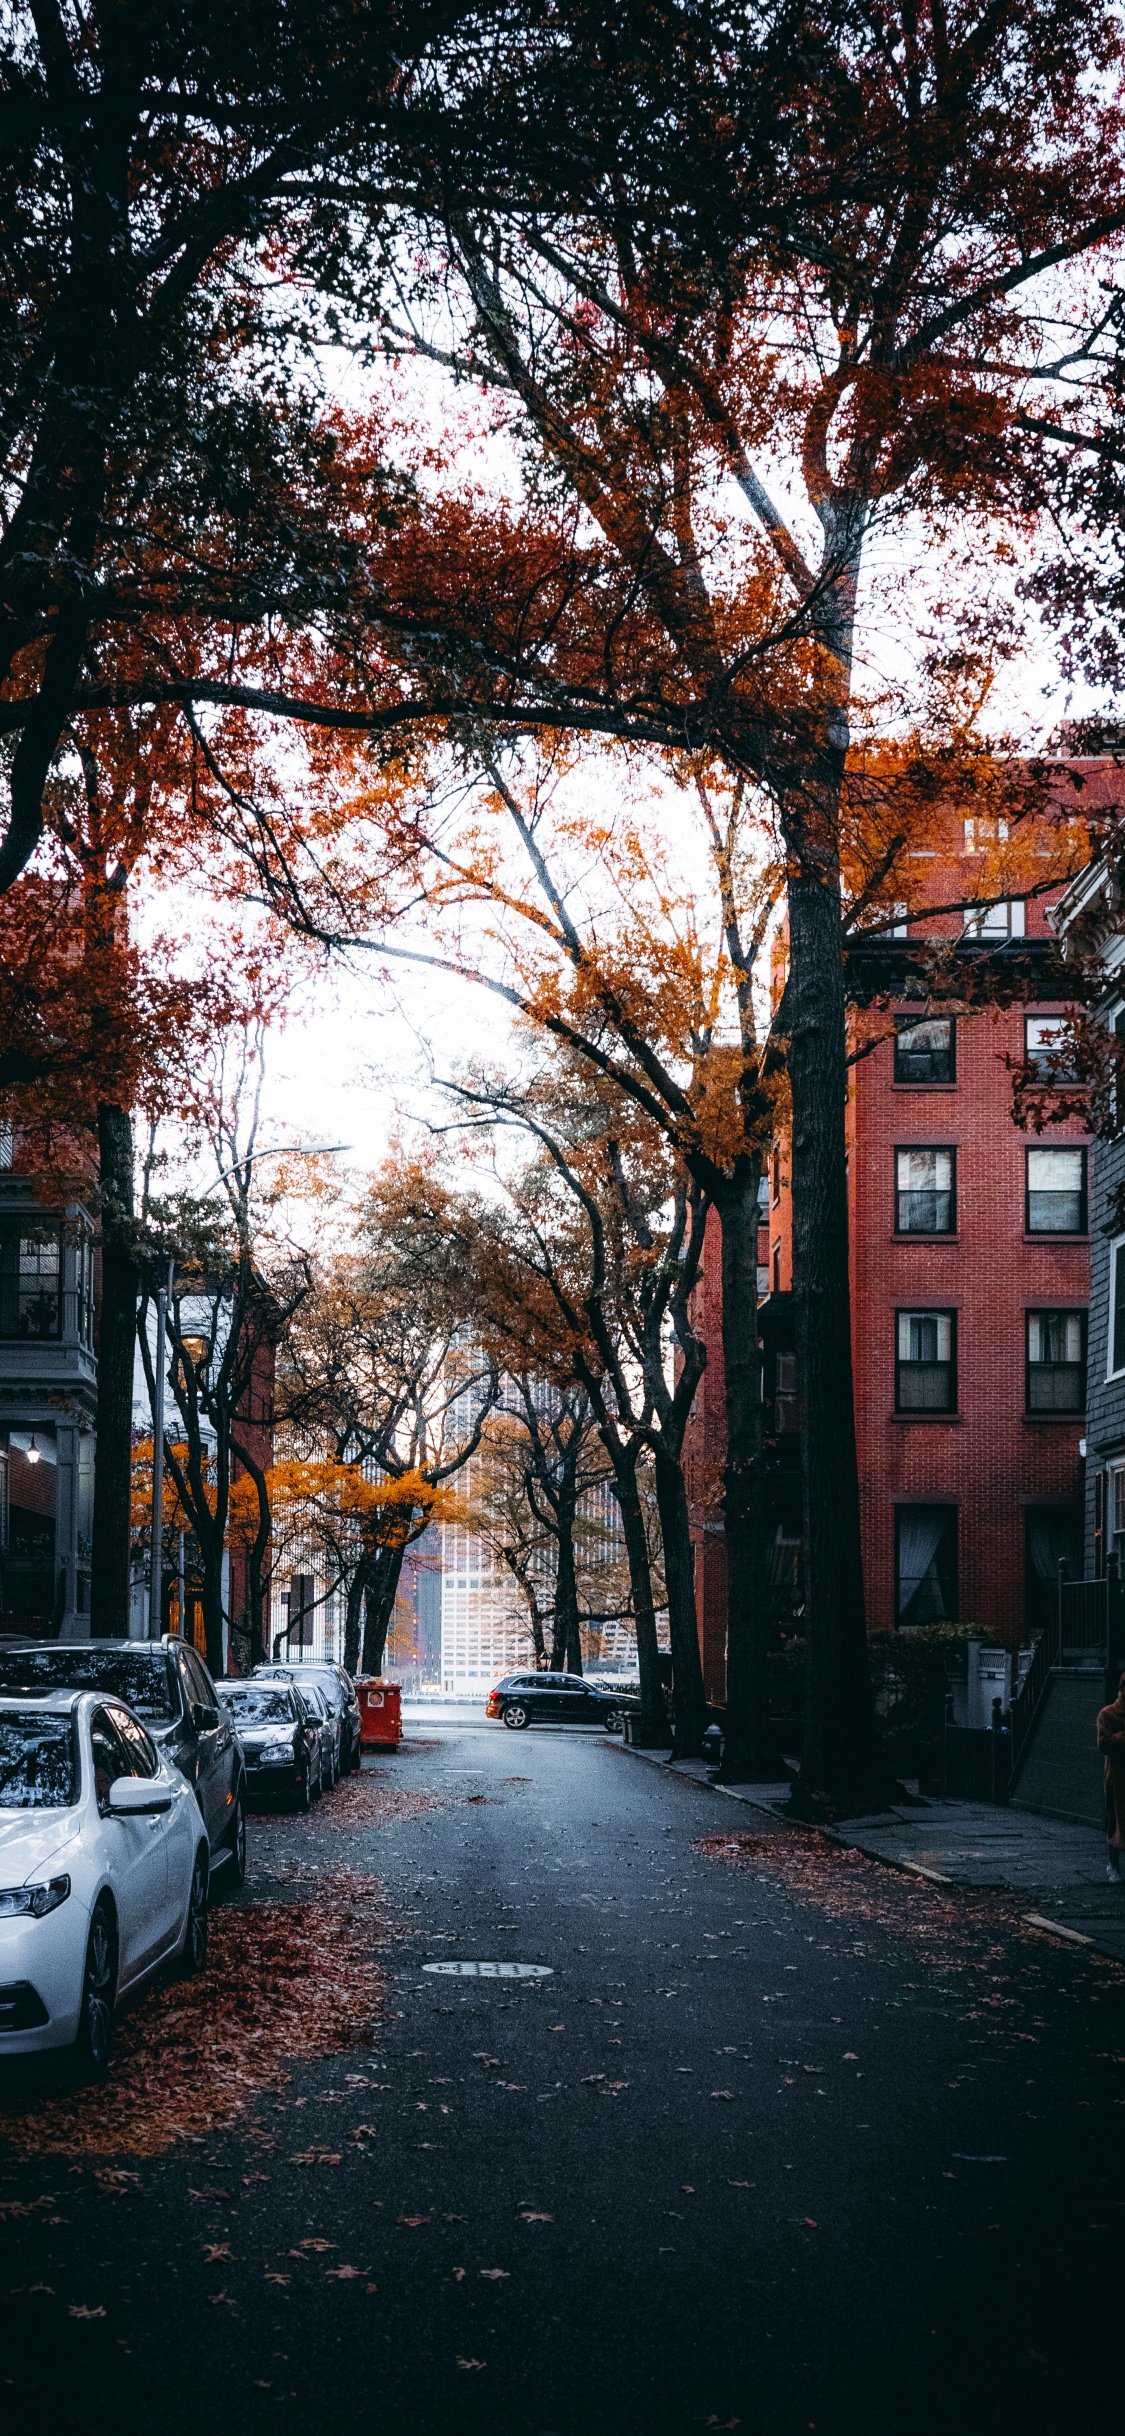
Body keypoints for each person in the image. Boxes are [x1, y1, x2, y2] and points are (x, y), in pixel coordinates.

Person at [1096, 1670, 1125, 1881]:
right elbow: (1103, 1744)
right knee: (1116, 1819)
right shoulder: (1108, 1714)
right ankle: (1113, 1865)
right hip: (1118, 1774)